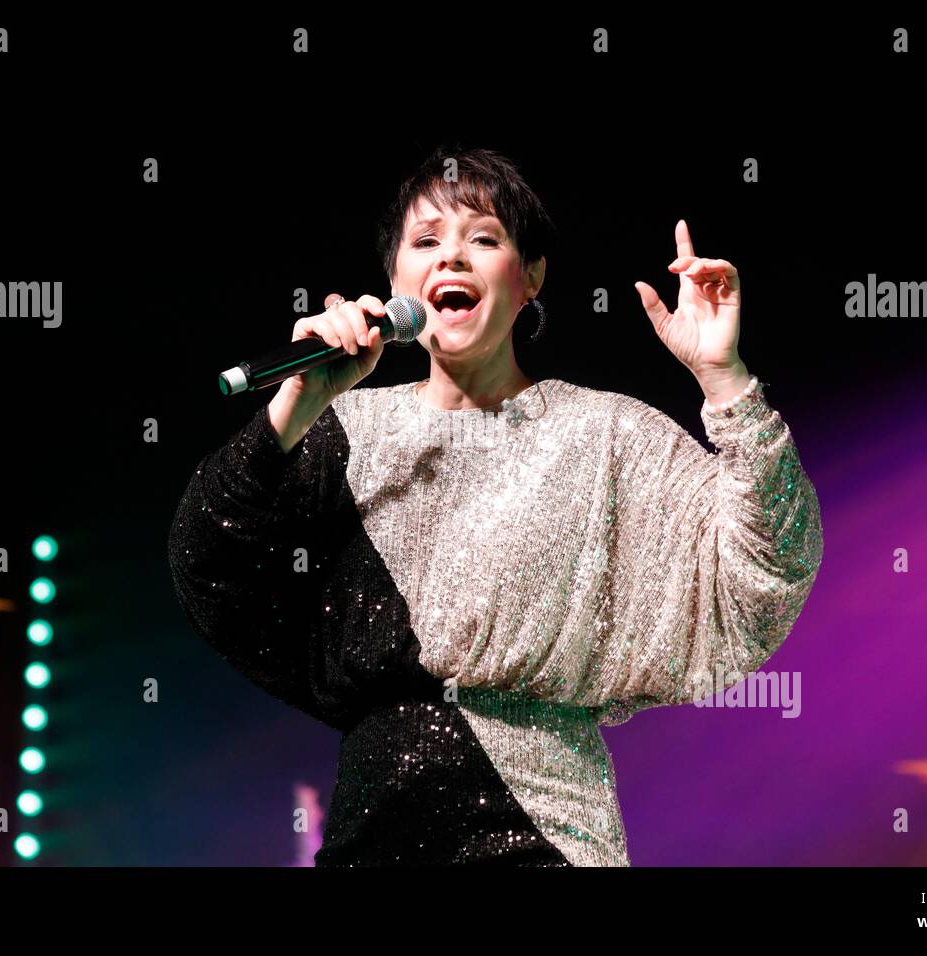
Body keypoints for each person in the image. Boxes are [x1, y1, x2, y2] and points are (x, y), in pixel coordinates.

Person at [167, 146, 823, 866]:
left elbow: (769, 563)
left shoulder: (605, 434)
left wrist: (724, 379)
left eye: (483, 239)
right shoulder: (343, 431)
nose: (451, 259)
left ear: (530, 278)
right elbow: (207, 560)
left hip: (542, 836)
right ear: (394, 283)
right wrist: (296, 403)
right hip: (368, 836)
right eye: (425, 243)